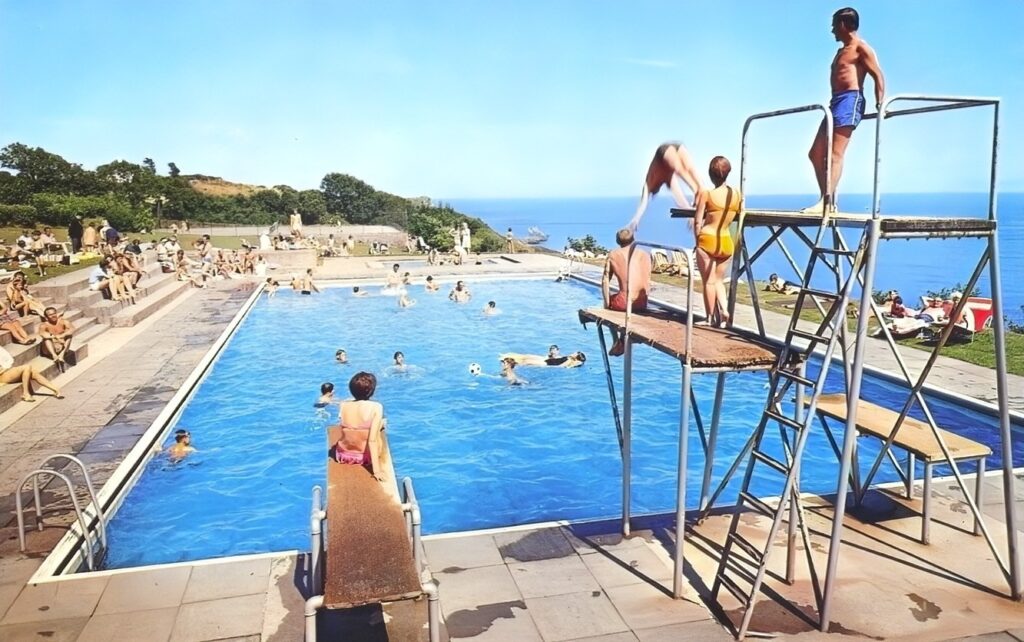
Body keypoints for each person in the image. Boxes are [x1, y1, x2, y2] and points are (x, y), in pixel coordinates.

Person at [805, 7, 885, 213]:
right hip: (835, 101)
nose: (832, 30)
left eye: (834, 25)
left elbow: (878, 75)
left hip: (851, 99)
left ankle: (826, 203)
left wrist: (880, 104)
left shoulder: (861, 48)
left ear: (842, 24)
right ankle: (827, 200)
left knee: (835, 154)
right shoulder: (841, 50)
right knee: (815, 153)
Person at [693, 156, 742, 327]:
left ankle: (709, 318)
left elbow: (698, 221)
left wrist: (697, 241)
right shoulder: (736, 194)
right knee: (719, 280)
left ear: (710, 174)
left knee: (709, 281)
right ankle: (724, 311)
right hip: (726, 240)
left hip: (708, 239)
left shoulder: (707, 194)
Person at [629, 142, 705, 230]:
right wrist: (690, 214)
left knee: (683, 170)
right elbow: (680, 200)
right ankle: (701, 192)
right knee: (689, 170)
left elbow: (643, 204)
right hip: (676, 148)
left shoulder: (648, 184)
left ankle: (700, 192)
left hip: (663, 152)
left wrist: (636, 219)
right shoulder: (668, 179)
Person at [602, 228, 652, 356]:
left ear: (617, 241)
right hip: (642, 302)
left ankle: (616, 341)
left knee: (608, 308)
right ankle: (626, 336)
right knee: (623, 301)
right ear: (633, 239)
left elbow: (605, 281)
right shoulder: (644, 254)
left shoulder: (614, 254)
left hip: (625, 302)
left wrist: (607, 305)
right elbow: (647, 279)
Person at [329, 372, 386, 480]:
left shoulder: (343, 405)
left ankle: (380, 423)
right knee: (378, 429)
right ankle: (381, 423)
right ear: (371, 391)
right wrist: (377, 471)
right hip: (365, 458)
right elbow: (372, 441)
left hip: (343, 455)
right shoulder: (376, 407)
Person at [39, 306, 74, 371]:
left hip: (61, 346)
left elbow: (71, 329)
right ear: (46, 317)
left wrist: (62, 335)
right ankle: (54, 356)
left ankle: (61, 355)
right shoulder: (44, 325)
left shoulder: (63, 321)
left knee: (69, 336)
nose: (53, 316)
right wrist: (56, 337)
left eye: (54, 313)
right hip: (50, 349)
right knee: (46, 339)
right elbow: (43, 334)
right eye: (50, 315)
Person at [500, 351, 587, 368]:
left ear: (576, 356)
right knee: (527, 356)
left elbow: (560, 366)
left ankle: (511, 364)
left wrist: (546, 367)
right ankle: (509, 359)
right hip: (547, 360)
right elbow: (558, 359)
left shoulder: (570, 361)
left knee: (527, 362)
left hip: (546, 364)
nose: (574, 352)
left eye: (576, 352)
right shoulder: (569, 357)